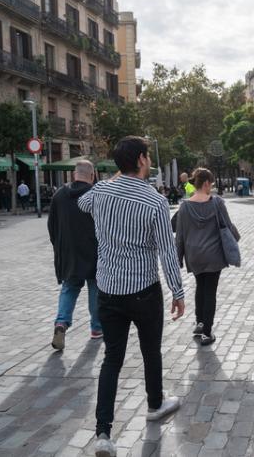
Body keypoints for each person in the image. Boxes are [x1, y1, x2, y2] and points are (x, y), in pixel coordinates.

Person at [78, 136, 185, 456]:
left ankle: (103, 433)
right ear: (140, 159)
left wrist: (113, 180)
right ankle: (155, 404)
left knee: (112, 358)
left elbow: (82, 204)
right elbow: (167, 250)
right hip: (143, 290)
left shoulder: (100, 191)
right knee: (151, 351)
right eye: (147, 156)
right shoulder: (154, 201)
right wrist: (177, 291)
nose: (149, 161)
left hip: (108, 289)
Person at [176, 168, 239, 346]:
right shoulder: (217, 203)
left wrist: (178, 257)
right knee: (210, 290)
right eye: (210, 184)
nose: (211, 187)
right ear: (205, 183)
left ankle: (200, 322)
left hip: (194, 255)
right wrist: (235, 240)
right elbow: (227, 225)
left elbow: (180, 235)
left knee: (200, 286)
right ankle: (206, 333)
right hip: (213, 255)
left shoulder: (184, 206)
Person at [48, 160, 102, 350]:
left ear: (74, 174)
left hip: (68, 252)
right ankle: (96, 328)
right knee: (95, 288)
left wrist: (59, 247)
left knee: (69, 288)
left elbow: (52, 226)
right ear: (92, 175)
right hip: (94, 251)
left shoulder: (59, 195)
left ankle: (61, 322)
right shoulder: (95, 194)